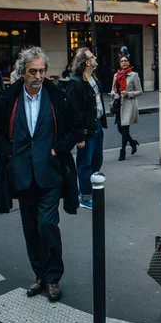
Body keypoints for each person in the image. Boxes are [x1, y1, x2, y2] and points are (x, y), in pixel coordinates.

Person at [0, 46, 83, 302]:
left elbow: (75, 128)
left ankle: (53, 278)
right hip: (21, 175)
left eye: (41, 70)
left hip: (50, 175)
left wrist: (57, 149)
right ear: (22, 73)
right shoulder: (7, 99)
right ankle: (39, 275)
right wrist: (8, 153)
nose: (38, 76)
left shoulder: (58, 98)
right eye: (33, 71)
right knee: (31, 228)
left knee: (48, 224)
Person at [66, 48, 108, 210]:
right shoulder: (76, 83)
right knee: (85, 163)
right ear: (87, 62)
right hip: (85, 130)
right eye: (92, 56)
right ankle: (85, 196)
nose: (95, 57)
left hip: (96, 125)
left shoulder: (93, 79)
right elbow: (72, 111)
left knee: (97, 159)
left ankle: (89, 188)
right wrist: (79, 135)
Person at [110, 53, 142, 161]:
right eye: (121, 61)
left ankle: (122, 151)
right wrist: (113, 94)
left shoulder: (134, 75)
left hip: (128, 104)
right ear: (119, 63)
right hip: (118, 104)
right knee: (120, 128)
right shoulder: (116, 75)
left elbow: (139, 91)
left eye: (125, 61)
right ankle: (133, 143)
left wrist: (128, 93)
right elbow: (113, 89)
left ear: (128, 62)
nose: (124, 62)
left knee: (124, 128)